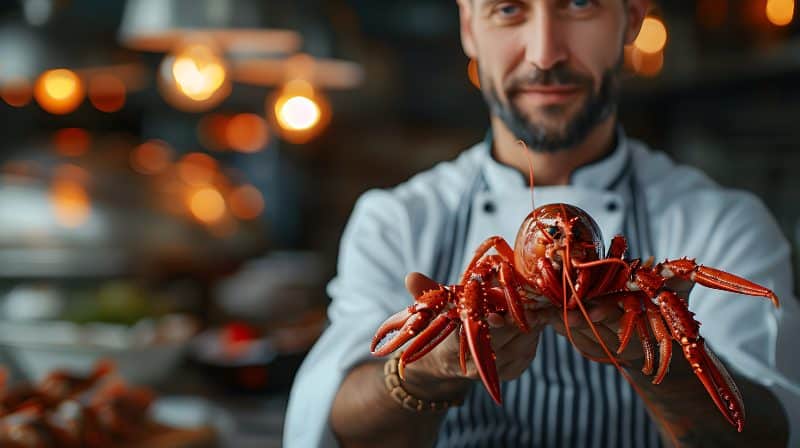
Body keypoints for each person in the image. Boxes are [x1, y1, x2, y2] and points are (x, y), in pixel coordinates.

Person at [284, 0, 800, 446]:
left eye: (579, 4)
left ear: (632, 18)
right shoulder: (395, 219)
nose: (545, 54)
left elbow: (774, 432)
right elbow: (325, 421)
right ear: (469, 27)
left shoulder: (725, 223)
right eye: (509, 8)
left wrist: (663, 361)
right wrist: (422, 372)